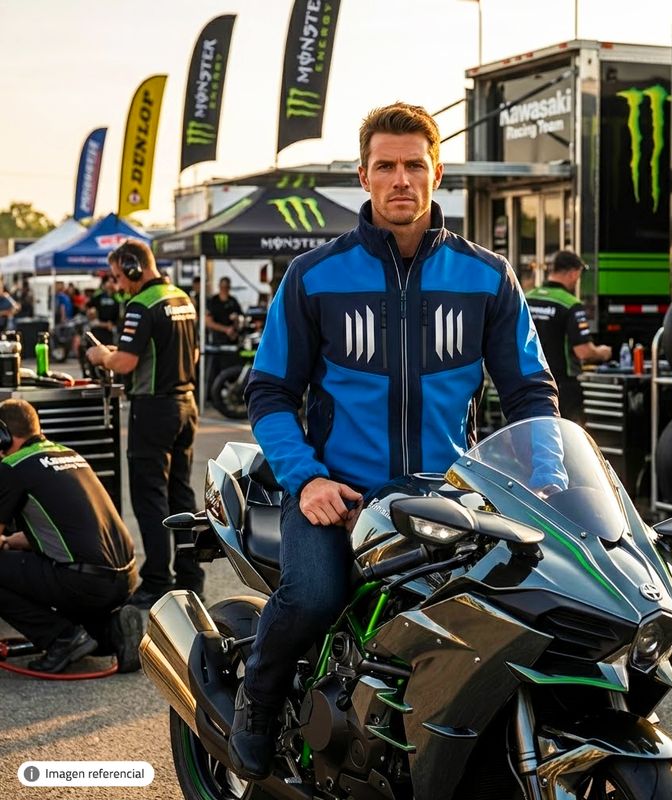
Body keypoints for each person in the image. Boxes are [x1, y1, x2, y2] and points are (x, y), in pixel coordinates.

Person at [228, 102, 559, 779]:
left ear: (438, 172)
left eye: (414, 165)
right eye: (385, 166)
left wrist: (548, 476)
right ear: (364, 175)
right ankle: (256, 703)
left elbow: (531, 392)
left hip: (448, 497)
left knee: (504, 613)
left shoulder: (487, 275)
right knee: (314, 597)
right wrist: (307, 479)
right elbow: (270, 393)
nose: (400, 179)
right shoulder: (314, 276)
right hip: (338, 494)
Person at [85, 239, 202, 610]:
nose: (119, 285)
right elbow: (195, 353)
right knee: (181, 493)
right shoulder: (182, 297)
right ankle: (191, 577)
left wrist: (101, 355)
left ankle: (156, 581)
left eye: (119, 276)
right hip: (187, 404)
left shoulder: (141, 304)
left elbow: (125, 363)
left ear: (133, 267)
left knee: (150, 496)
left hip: (153, 409)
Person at [0, 399, 142, 673]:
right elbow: (60, 530)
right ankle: (112, 631)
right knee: (83, 627)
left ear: (4, 433)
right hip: (124, 579)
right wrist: (9, 542)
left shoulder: (13, 467)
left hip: (84, 582)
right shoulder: (68, 454)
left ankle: (62, 639)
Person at [526, 250, 612, 423]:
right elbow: (583, 351)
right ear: (573, 272)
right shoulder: (570, 303)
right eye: (578, 275)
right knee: (570, 437)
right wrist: (603, 353)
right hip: (561, 386)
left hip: (528, 383)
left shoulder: (527, 298)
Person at [205, 276, 244, 394]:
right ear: (219, 287)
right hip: (217, 343)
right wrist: (226, 329)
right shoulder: (213, 301)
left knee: (231, 370)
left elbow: (240, 318)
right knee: (215, 372)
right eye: (223, 287)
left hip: (231, 343)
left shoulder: (233, 301)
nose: (224, 289)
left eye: (226, 287)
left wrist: (236, 323)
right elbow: (208, 322)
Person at [87, 274, 122, 346]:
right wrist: (103, 324)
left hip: (112, 330)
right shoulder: (98, 296)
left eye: (113, 282)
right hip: (99, 329)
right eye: (109, 282)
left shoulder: (118, 297)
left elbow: (120, 314)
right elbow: (90, 312)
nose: (111, 284)